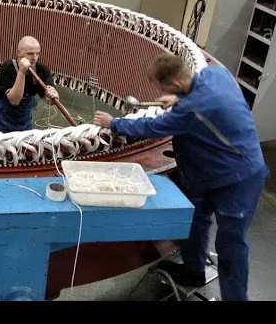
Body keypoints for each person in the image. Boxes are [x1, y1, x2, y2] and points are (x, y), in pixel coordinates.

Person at [93, 54, 269, 301]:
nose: (161, 93)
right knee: (194, 219)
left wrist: (114, 123)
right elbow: (205, 100)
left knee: (231, 245)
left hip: (239, 178)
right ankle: (193, 272)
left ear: (175, 83)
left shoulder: (191, 109)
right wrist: (180, 98)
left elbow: (151, 128)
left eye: (163, 88)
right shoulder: (216, 74)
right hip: (209, 173)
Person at [0, 36, 59, 133]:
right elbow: (14, 100)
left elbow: (50, 101)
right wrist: (21, 72)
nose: (35, 58)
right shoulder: (6, 68)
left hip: (25, 117)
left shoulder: (42, 70)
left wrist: (54, 96)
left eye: (37, 53)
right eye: (30, 54)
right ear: (19, 53)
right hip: (3, 117)